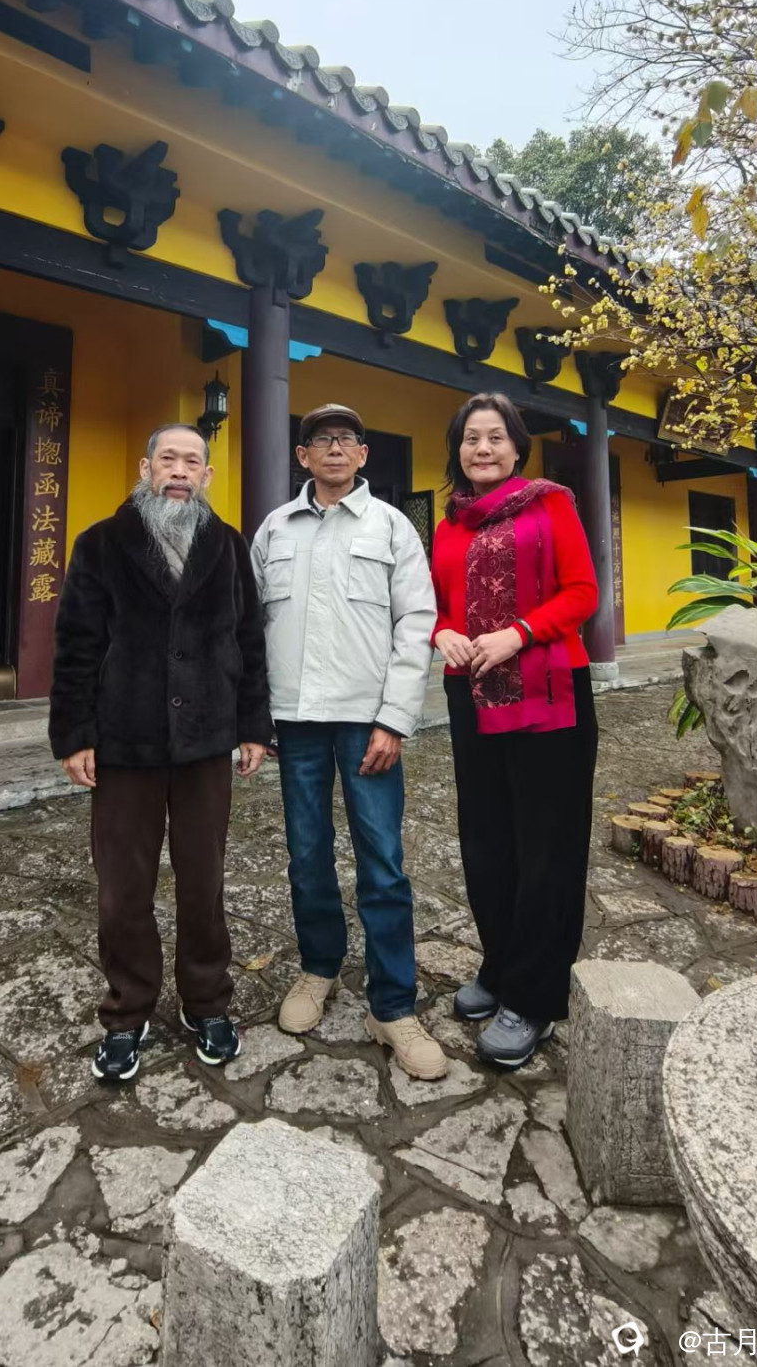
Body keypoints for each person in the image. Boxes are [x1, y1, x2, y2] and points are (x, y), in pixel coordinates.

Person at [49, 423, 273, 1083]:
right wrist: (74, 733)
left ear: (206, 475)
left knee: (204, 881)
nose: (179, 470)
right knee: (123, 888)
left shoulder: (227, 546)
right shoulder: (100, 544)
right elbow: (77, 644)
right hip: (125, 740)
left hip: (206, 739)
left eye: (192, 461)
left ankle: (207, 1002)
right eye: (168, 458)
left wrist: (253, 726)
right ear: (146, 467)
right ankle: (127, 1010)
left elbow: (249, 639)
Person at [251, 403, 447, 1081]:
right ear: (302, 455)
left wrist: (394, 718)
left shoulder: (392, 527)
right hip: (295, 719)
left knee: (382, 862)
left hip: (368, 723)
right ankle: (319, 967)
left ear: (363, 455)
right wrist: (257, 718)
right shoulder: (275, 528)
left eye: (346, 439)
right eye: (321, 439)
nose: (334, 448)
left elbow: (416, 623)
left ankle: (392, 1005)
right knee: (306, 855)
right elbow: (252, 626)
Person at [431, 393, 599, 1070]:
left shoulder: (550, 505)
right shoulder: (448, 523)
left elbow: (582, 592)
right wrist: (441, 631)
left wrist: (518, 632)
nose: (483, 448)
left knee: (546, 846)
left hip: (549, 691)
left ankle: (534, 996)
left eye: (495, 437)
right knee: (486, 840)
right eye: (471, 438)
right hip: (471, 693)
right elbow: (436, 603)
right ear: (457, 449)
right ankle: (500, 965)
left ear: (517, 447)